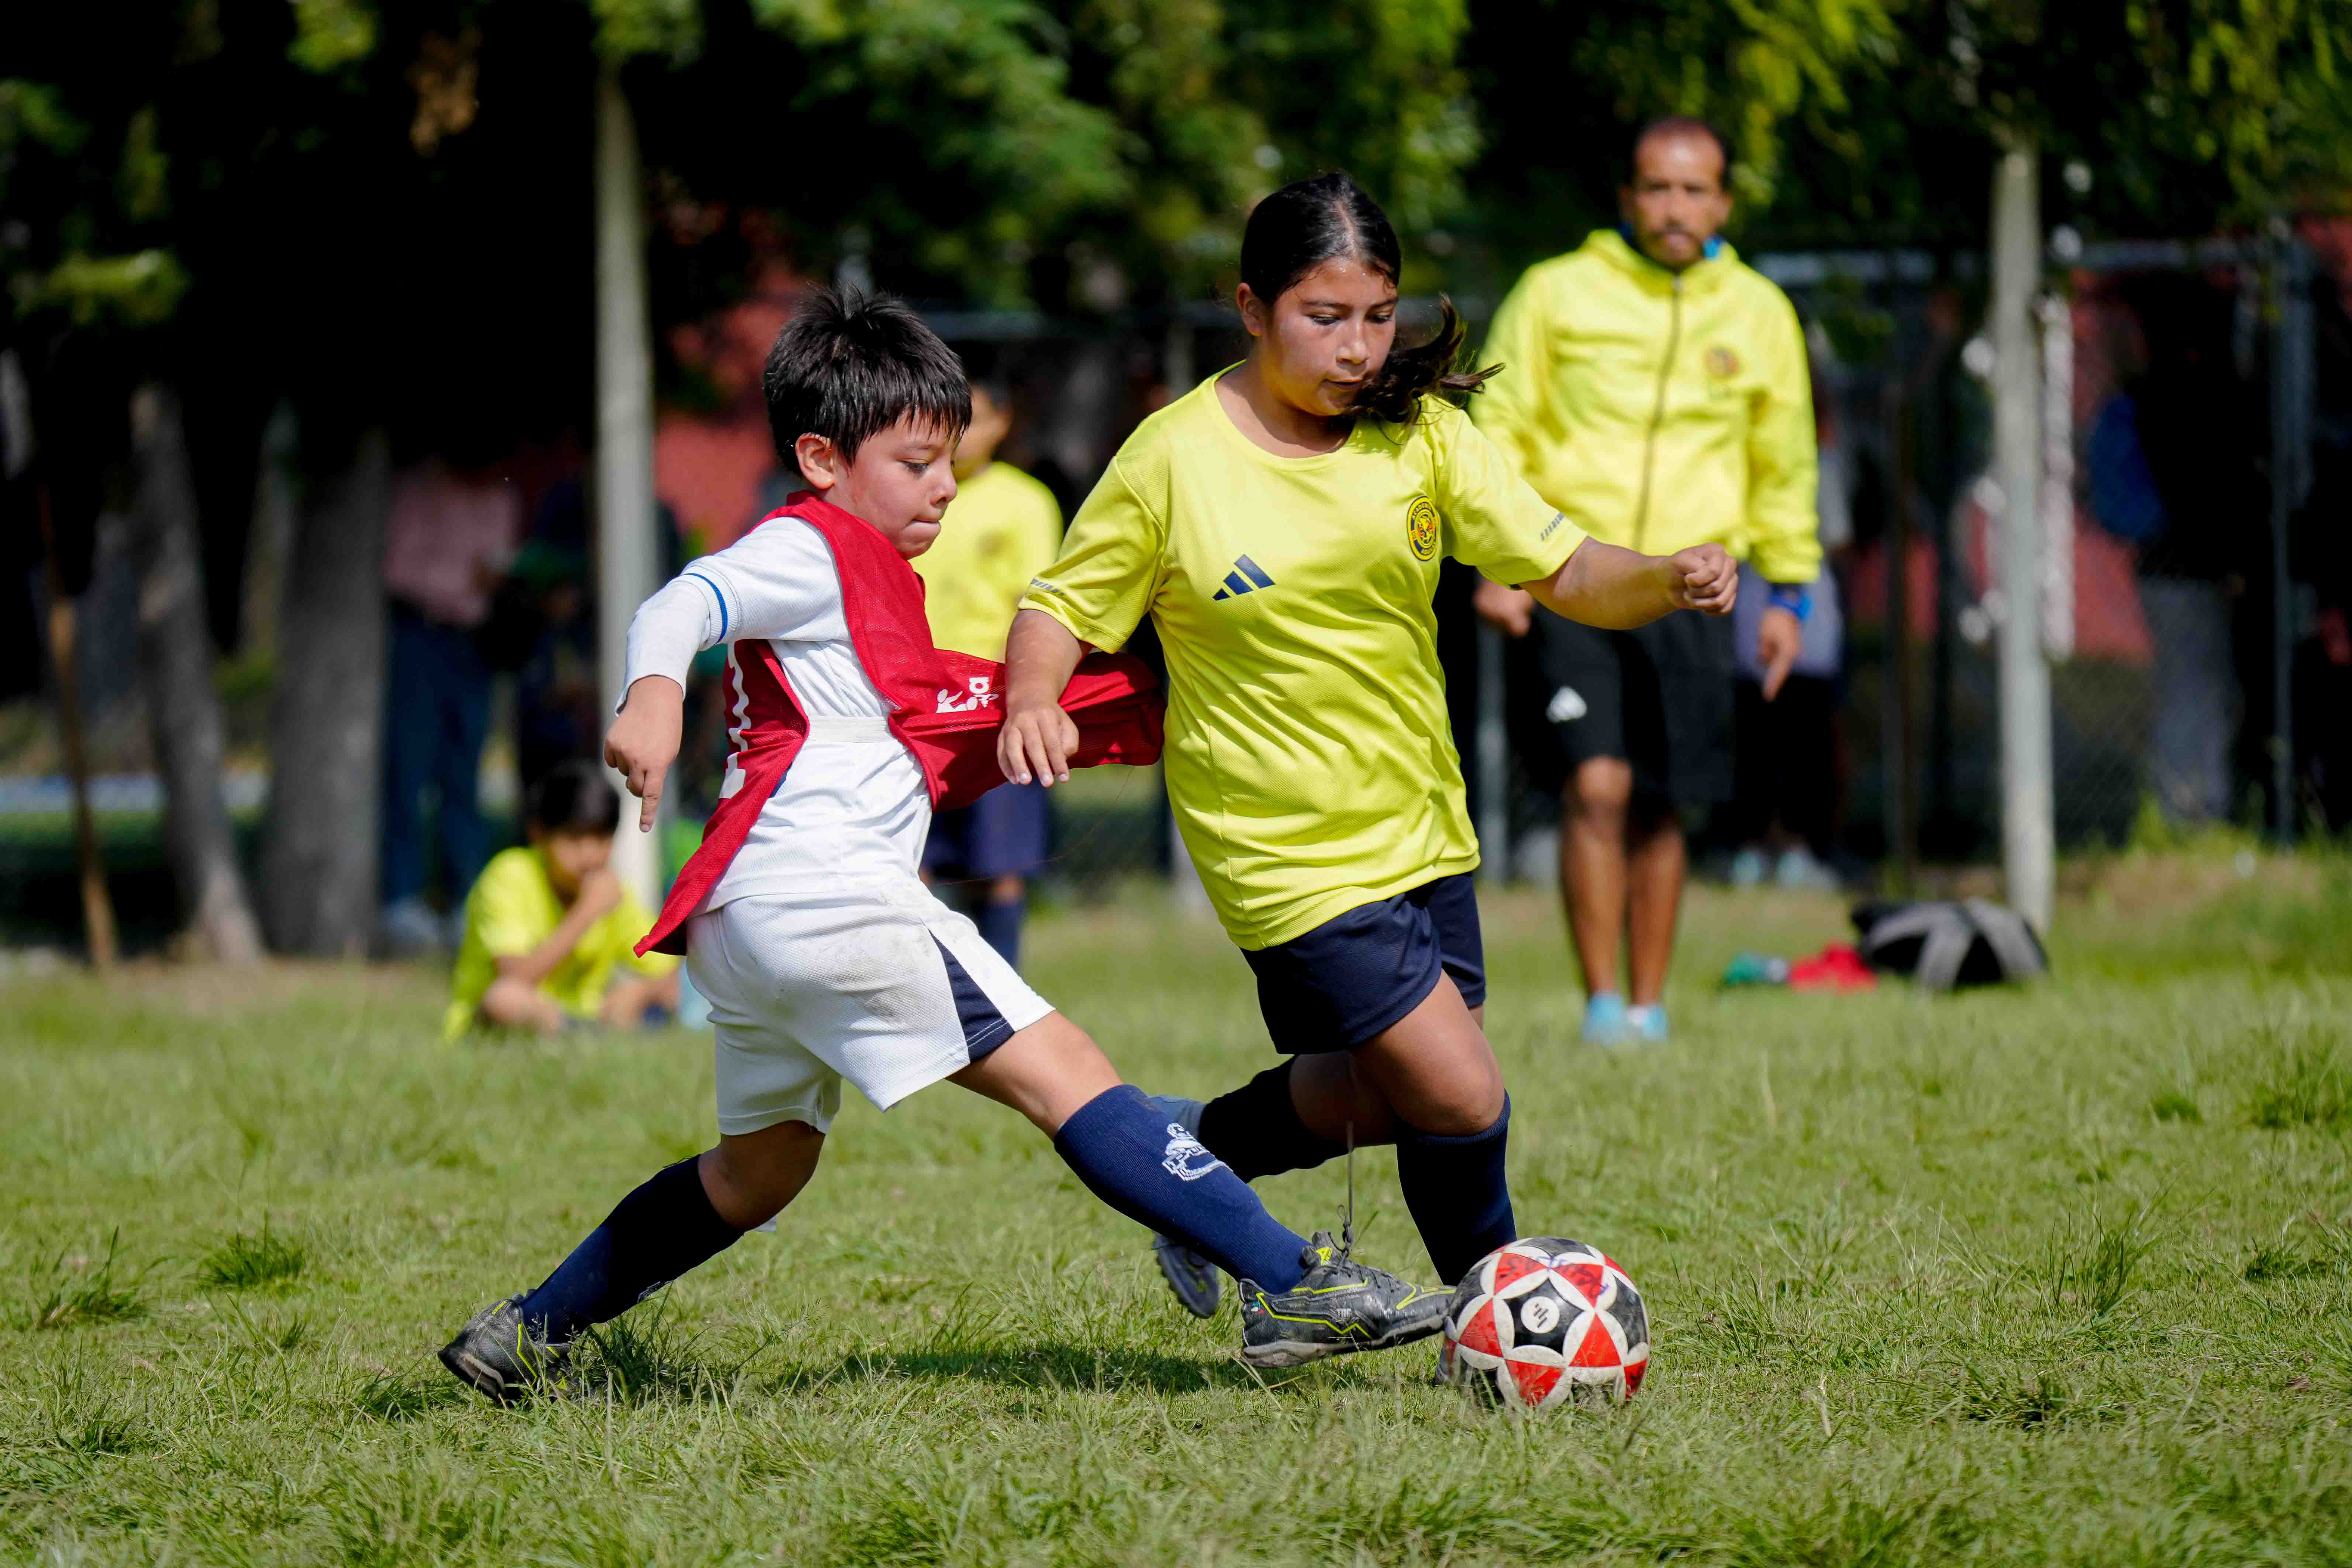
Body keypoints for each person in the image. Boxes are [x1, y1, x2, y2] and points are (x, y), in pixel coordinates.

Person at [439, 289, 1444, 1403]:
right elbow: (681, 603)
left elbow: (925, 712)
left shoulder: (862, 579)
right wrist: (651, 695)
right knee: (1068, 1075)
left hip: (746, 919)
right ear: (821, 460)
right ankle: (1290, 1284)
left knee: (758, 1171)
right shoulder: (806, 545)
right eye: (917, 464)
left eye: (950, 461)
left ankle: (526, 1333)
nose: (946, 487)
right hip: (828, 901)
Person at [996, 173, 1736, 1321]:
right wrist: (1030, 697)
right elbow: (1059, 603)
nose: (1357, 347)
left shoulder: (1422, 433)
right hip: (1278, 845)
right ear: (1252, 309)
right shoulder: (1171, 458)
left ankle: (1195, 1150)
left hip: (1417, 820)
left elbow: (1563, 568)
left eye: (1379, 315)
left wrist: (1664, 575)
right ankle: (1502, 1322)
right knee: (1460, 1090)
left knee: (1396, 1095)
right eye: (1324, 317)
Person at [1471, 116, 1820, 1046]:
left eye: (1694, 190)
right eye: (1657, 188)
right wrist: (1501, 559)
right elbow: (1499, 426)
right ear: (1626, 197)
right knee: (1596, 786)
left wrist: (1787, 595)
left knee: (1663, 800)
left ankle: (1647, 1006)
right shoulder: (1555, 293)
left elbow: (1782, 460)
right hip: (1572, 571)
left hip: (1692, 585)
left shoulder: (1758, 312)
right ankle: (1599, 1004)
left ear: (1723, 202)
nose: (1674, 207)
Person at [911, 348, 1063, 968]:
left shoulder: (1025, 502)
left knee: (997, 863)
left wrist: (1028, 694)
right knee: (911, 862)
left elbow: (1040, 607)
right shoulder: (912, 497)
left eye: (970, 418)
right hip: (915, 704)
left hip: (992, 703)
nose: (957, 434)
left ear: (1002, 422)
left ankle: (1003, 988)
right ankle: (923, 988)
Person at [379, 440, 522, 954]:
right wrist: (466, 581)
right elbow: (397, 572)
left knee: (465, 776)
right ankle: (402, 900)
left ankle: (466, 899)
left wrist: (485, 584)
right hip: (421, 637)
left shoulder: (500, 497)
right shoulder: (420, 488)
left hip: (473, 646)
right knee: (408, 770)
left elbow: (500, 570)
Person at [440, 759, 682, 1041]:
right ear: (538, 833)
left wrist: (639, 993)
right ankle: (583, 1033)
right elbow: (515, 978)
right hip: (494, 1024)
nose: (589, 855)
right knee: (504, 998)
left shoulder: (610, 891)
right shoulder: (510, 875)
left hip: (583, 1018)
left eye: (601, 839)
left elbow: (670, 975)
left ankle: (584, 1033)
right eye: (574, 839)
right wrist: (586, 913)